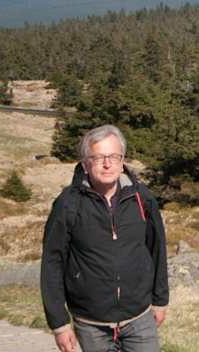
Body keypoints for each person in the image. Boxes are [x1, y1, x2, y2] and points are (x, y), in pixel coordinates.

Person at [42, 125, 169, 352]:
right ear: (85, 164)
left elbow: (157, 249)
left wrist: (160, 300)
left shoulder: (142, 198)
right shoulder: (68, 204)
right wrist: (59, 323)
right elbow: (52, 263)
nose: (107, 164)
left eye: (113, 156)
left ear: (122, 161)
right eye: (98, 157)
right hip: (90, 323)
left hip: (139, 317)